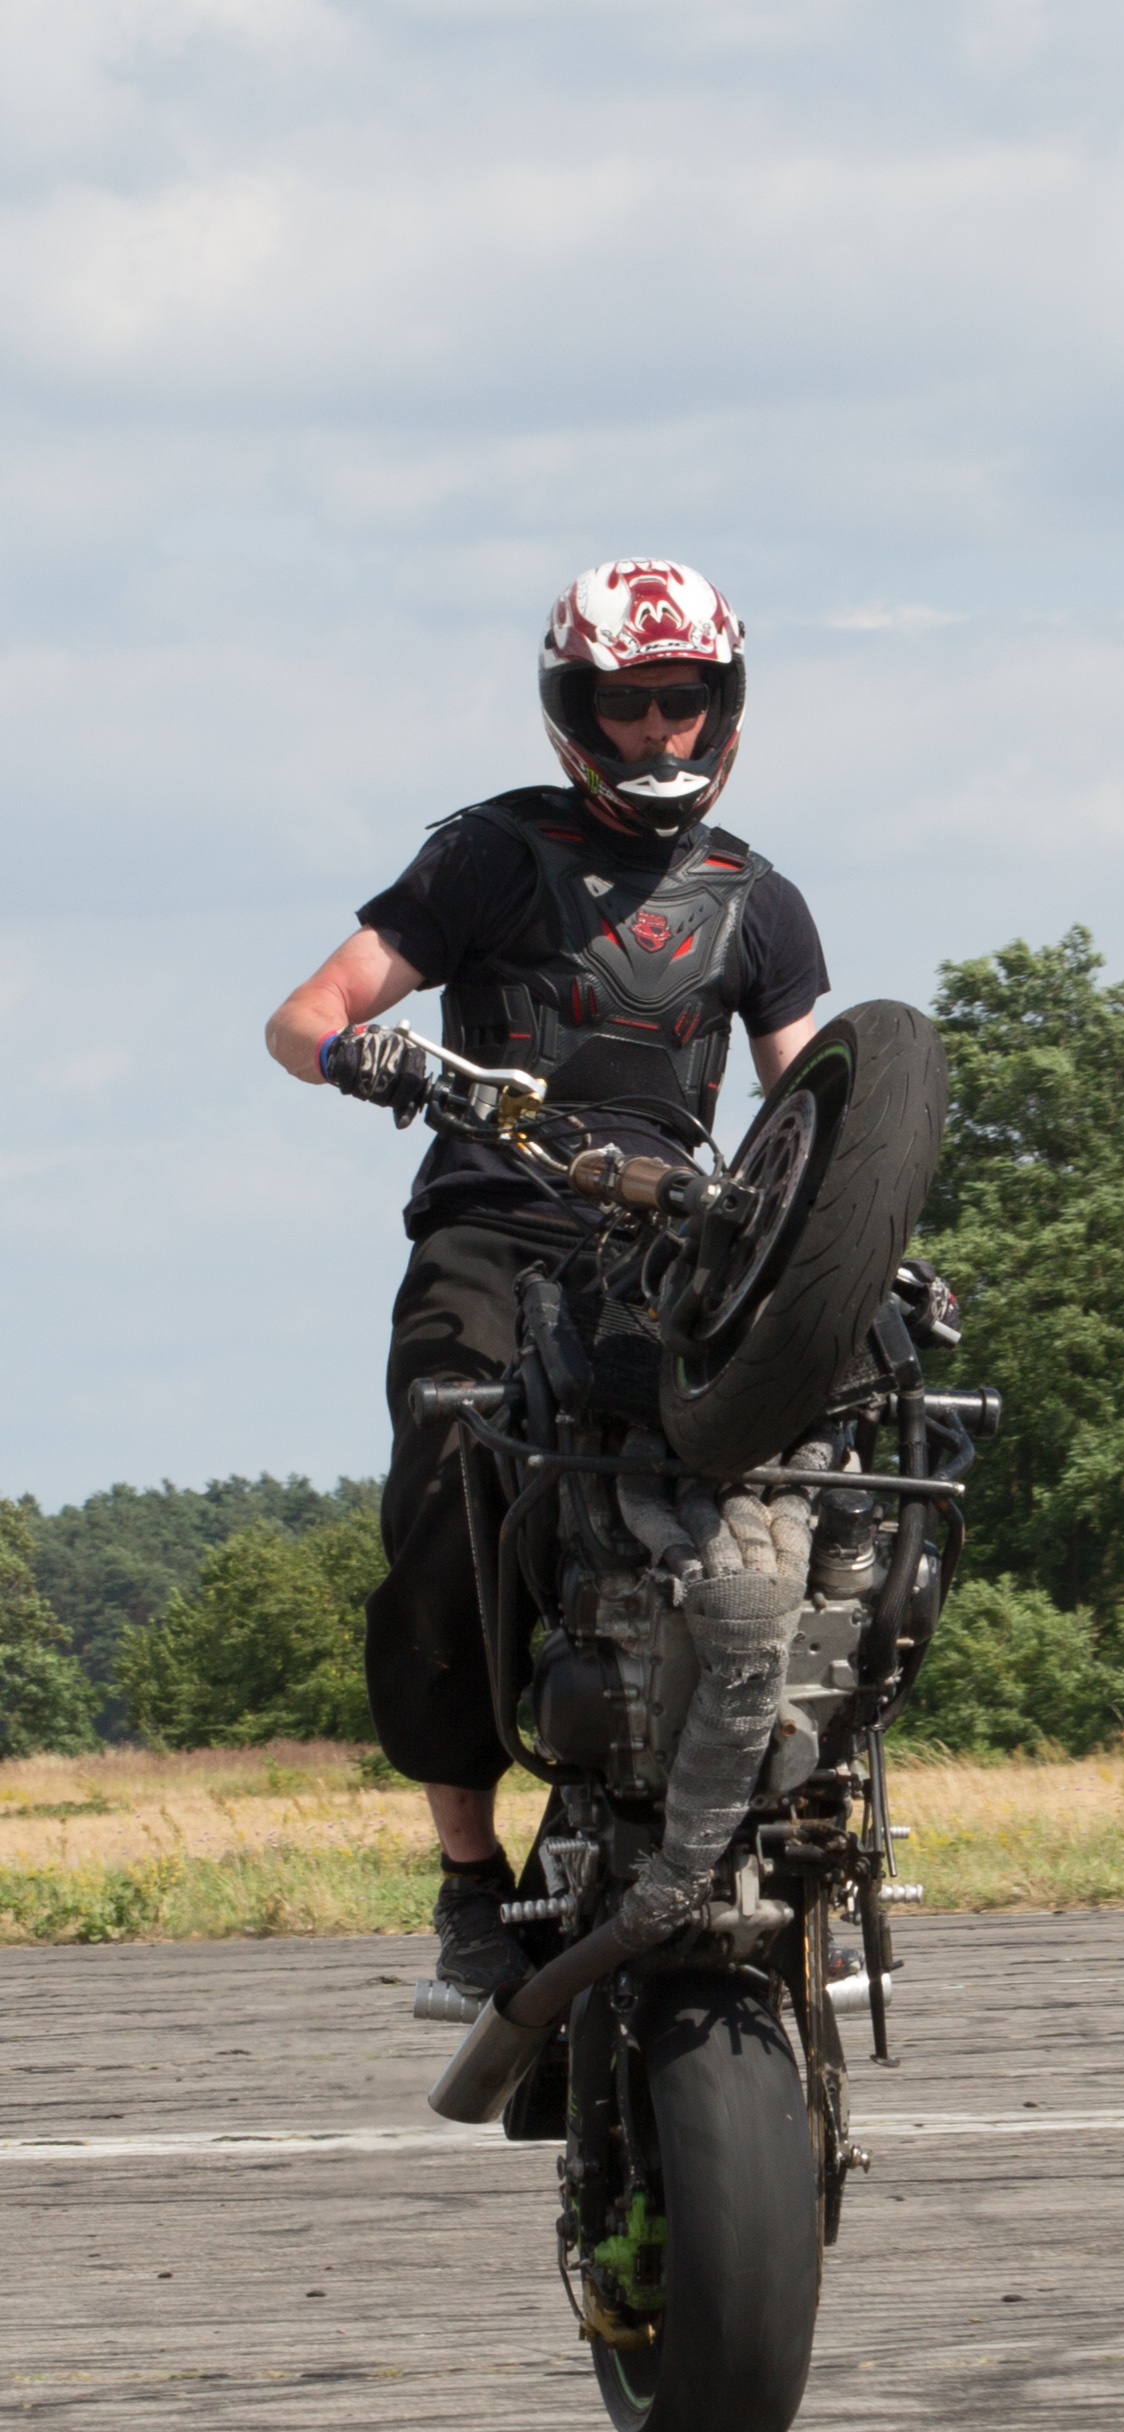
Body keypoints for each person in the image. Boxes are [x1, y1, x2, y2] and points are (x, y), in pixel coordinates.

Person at [265, 560, 829, 1993]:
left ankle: (801, 1834)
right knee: (447, 1488)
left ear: (722, 706)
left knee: (821, 1488)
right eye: (630, 704)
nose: (659, 730)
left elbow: (811, 1107)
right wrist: (360, 1054)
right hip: (493, 1229)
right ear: (576, 709)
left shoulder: (760, 902)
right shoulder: (489, 856)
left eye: (682, 701)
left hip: (674, 1256)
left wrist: (853, 1236)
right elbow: (304, 1013)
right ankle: (469, 1884)